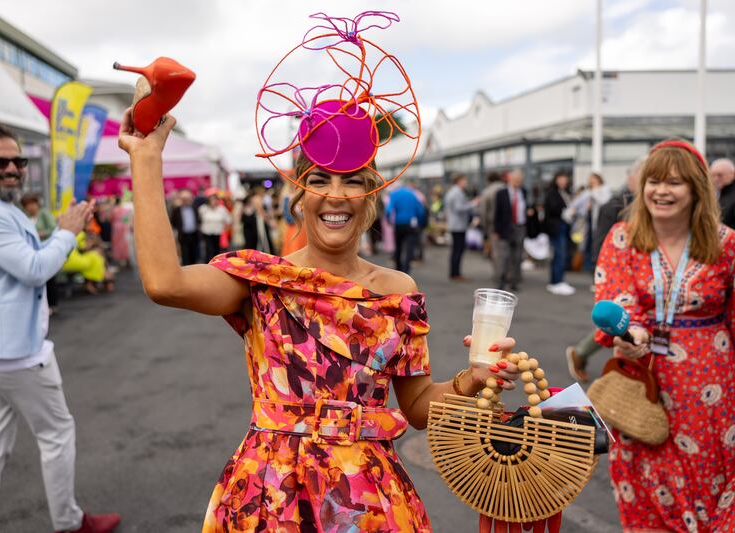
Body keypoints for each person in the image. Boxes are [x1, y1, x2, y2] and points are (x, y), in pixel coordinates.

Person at [119, 110, 522, 531]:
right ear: (299, 192)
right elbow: (166, 283)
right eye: (319, 179)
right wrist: (146, 159)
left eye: (352, 180)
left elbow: (418, 408)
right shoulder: (262, 282)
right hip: (270, 496)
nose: (336, 194)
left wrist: (474, 378)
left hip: (367, 502)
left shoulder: (397, 290)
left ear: (370, 194)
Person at [0, 120, 119, 533]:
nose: (12, 168)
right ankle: (69, 522)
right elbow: (34, 269)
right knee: (57, 433)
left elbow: (29, 259)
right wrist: (66, 233)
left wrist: (61, 234)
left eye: (18, 160)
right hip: (11, 352)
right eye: (0, 161)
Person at [593, 139, 735, 532]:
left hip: (713, 391)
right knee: (644, 481)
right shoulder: (622, 237)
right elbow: (613, 300)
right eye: (653, 181)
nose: (661, 190)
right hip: (644, 380)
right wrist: (628, 333)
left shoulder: (726, 244)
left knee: (712, 479)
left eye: (674, 182)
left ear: (696, 189)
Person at [566, 157, 646, 381]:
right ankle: (582, 353)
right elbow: (602, 239)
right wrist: (599, 269)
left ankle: (580, 352)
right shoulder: (617, 206)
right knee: (618, 323)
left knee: (618, 325)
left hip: (632, 283)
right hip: (615, 274)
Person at [21, 193, 60, 314]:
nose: (31, 207)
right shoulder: (24, 218)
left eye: (32, 204)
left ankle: (52, 304)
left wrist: (43, 233)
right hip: (31, 252)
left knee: (49, 278)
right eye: (27, 205)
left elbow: (53, 228)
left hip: (46, 249)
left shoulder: (44, 214)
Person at [493, 168, 528, 292]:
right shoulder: (501, 193)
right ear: (510, 179)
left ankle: (514, 281)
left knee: (517, 256)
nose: (518, 182)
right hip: (505, 228)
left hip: (520, 227)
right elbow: (497, 212)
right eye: (516, 179)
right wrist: (496, 230)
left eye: (520, 180)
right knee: (503, 256)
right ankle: (501, 280)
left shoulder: (523, 192)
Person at [543, 171, 575, 296]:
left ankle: (558, 280)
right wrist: (565, 211)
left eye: (565, 179)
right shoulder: (552, 193)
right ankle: (556, 281)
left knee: (561, 254)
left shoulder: (566, 192)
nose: (563, 181)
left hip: (564, 226)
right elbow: (552, 209)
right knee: (559, 254)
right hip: (556, 227)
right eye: (560, 179)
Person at [385, 180, 426, 273]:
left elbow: (389, 209)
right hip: (411, 225)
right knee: (409, 247)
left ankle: (398, 268)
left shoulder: (394, 194)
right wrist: (420, 222)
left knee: (398, 246)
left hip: (398, 224)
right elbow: (420, 211)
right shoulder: (412, 194)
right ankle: (406, 269)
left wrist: (388, 220)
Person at [444, 174, 474, 281]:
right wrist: (472, 204)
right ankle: (455, 273)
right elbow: (459, 208)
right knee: (458, 250)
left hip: (455, 224)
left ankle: (454, 272)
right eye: (464, 180)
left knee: (456, 249)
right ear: (459, 181)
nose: (466, 182)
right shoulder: (457, 192)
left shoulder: (452, 191)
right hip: (458, 225)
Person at [169, 189, 201, 265]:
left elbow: (199, 220)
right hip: (183, 236)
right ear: (181, 200)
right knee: (185, 256)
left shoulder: (195, 208)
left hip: (194, 235)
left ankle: (195, 272)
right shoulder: (177, 210)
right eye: (184, 199)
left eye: (188, 198)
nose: (186, 200)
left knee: (194, 255)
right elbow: (173, 221)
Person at [198, 194, 232, 263]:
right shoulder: (203, 208)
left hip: (217, 233)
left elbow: (229, 220)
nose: (213, 202)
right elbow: (199, 219)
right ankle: (207, 264)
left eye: (215, 200)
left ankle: (216, 264)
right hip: (206, 233)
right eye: (211, 200)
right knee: (209, 249)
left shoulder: (221, 209)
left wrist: (226, 229)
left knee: (216, 250)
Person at [712, 158, 735, 229]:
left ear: (733, 174)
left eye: (719, 175)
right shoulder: (718, 194)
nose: (715, 179)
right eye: (713, 175)